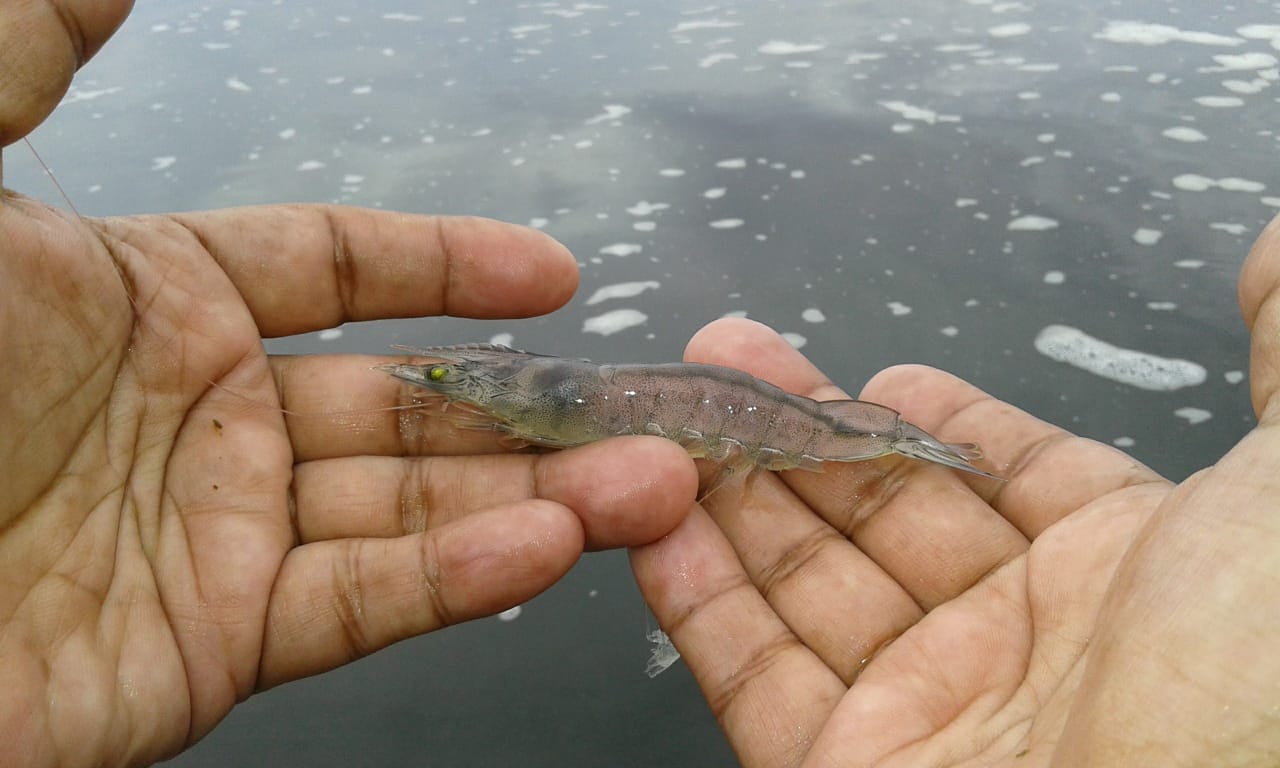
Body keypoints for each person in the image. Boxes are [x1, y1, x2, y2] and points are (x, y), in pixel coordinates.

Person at [2, 3, 1277, 766]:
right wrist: (462, 385)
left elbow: (544, 404)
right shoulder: (526, 394)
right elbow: (517, 394)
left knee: (802, 444)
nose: (451, 385)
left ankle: (909, 450)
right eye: (457, 380)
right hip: (691, 422)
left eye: (465, 379)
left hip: (781, 436)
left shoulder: (559, 402)